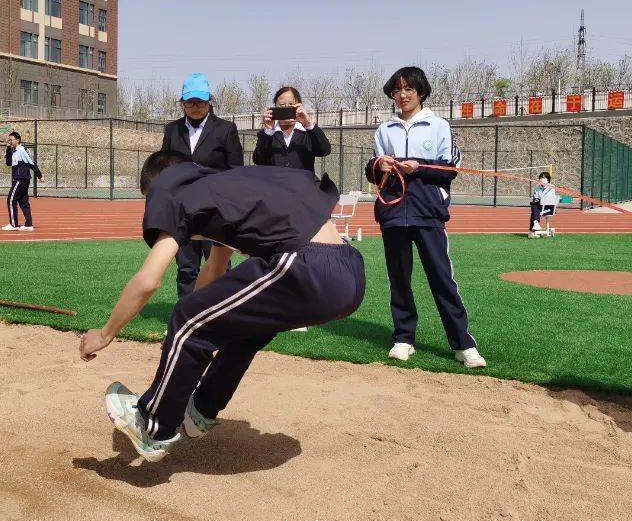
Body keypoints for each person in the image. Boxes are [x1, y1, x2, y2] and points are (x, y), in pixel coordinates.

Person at [79, 152, 366, 462]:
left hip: (306, 266)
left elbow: (149, 280)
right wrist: (186, 336)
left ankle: (152, 427)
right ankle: (201, 410)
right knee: (243, 328)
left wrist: (106, 334)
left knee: (186, 318)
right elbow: (214, 271)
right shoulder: (224, 189)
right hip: (349, 273)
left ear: (158, 187)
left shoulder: (173, 191)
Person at [365, 66, 486, 369]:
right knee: (399, 279)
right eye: (396, 90)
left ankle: (463, 344)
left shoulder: (438, 125)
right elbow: (375, 170)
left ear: (421, 92)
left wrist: (417, 167)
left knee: (442, 278)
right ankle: (403, 339)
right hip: (393, 212)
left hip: (428, 212)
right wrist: (379, 166)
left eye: (408, 89)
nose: (401, 95)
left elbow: (450, 168)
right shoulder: (385, 130)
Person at [160, 73, 244, 296]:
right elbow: (165, 167)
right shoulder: (171, 130)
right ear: (182, 103)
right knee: (187, 267)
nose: (195, 106)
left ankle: (221, 314)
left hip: (216, 210)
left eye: (200, 101)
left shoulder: (226, 129)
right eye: (190, 102)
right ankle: (187, 316)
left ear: (210, 101)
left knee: (219, 266)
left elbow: (236, 171)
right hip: (182, 209)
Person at [252, 86, 332, 173]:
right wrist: (268, 130)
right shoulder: (268, 134)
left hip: (302, 184)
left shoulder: (308, 133)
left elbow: (324, 151)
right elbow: (258, 160)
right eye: (282, 105)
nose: (286, 108)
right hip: (275, 185)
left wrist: (308, 124)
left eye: (291, 105)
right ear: (275, 107)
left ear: (299, 106)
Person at [2, 131, 42, 232]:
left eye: (11, 140)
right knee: (23, 202)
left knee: (11, 199)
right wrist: (7, 148)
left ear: (18, 140)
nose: (9, 141)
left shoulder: (22, 150)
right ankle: (29, 225)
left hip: (21, 179)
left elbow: (31, 163)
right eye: (9, 140)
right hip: (21, 179)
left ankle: (13, 224)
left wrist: (39, 175)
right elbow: (8, 163)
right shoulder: (14, 150)